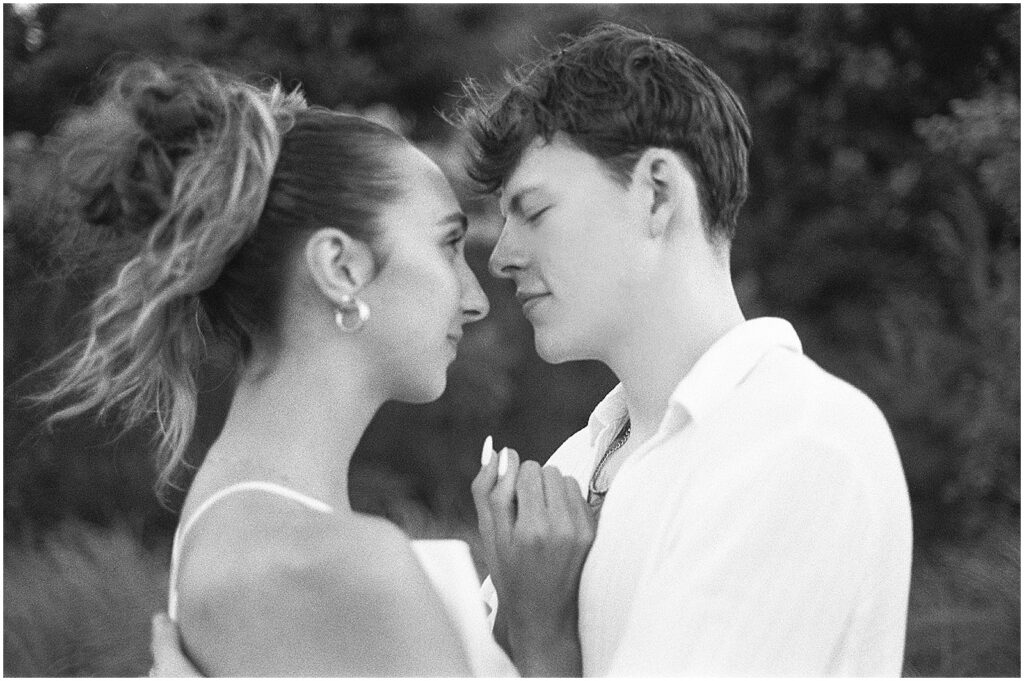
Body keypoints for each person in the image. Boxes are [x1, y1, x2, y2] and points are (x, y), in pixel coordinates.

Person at [39, 60, 593, 676]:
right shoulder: (331, 565)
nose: (476, 297)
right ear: (340, 267)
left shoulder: (237, 525)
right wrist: (546, 635)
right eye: (448, 245)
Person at [466, 23, 914, 676]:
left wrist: (541, 636)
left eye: (532, 212)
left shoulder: (803, 441)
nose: (503, 255)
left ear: (657, 193)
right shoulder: (573, 464)